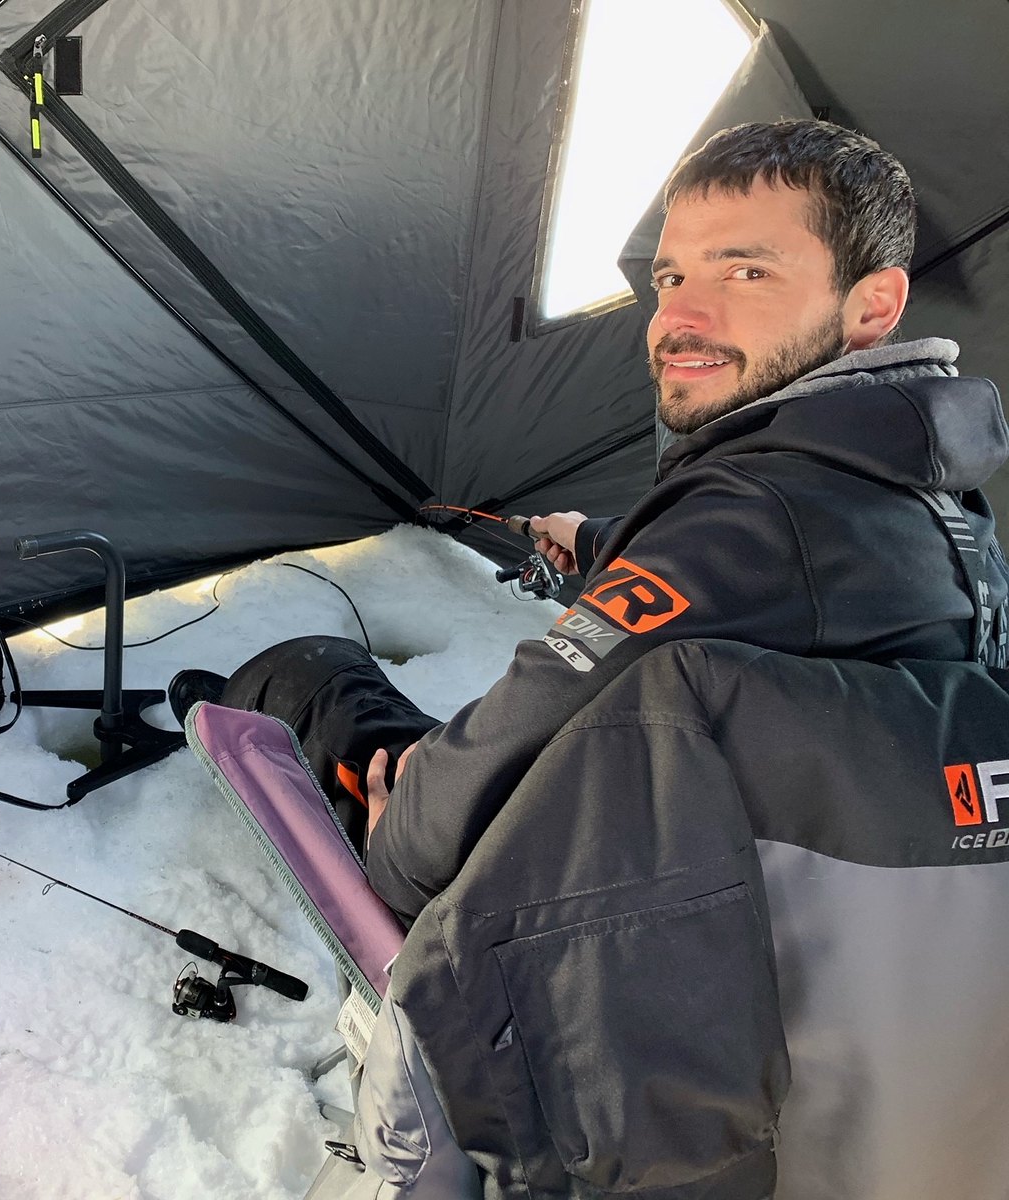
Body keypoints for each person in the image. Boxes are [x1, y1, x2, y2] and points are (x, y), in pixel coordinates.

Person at [170, 119, 1009, 925]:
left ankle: (239, 716)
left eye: (745, 273)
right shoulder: (933, 491)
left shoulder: (751, 518)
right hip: (812, 889)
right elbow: (765, 593)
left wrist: (401, 842)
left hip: (626, 916)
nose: (680, 318)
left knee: (309, 675)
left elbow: (515, 739)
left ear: (873, 305)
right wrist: (600, 544)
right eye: (672, 279)